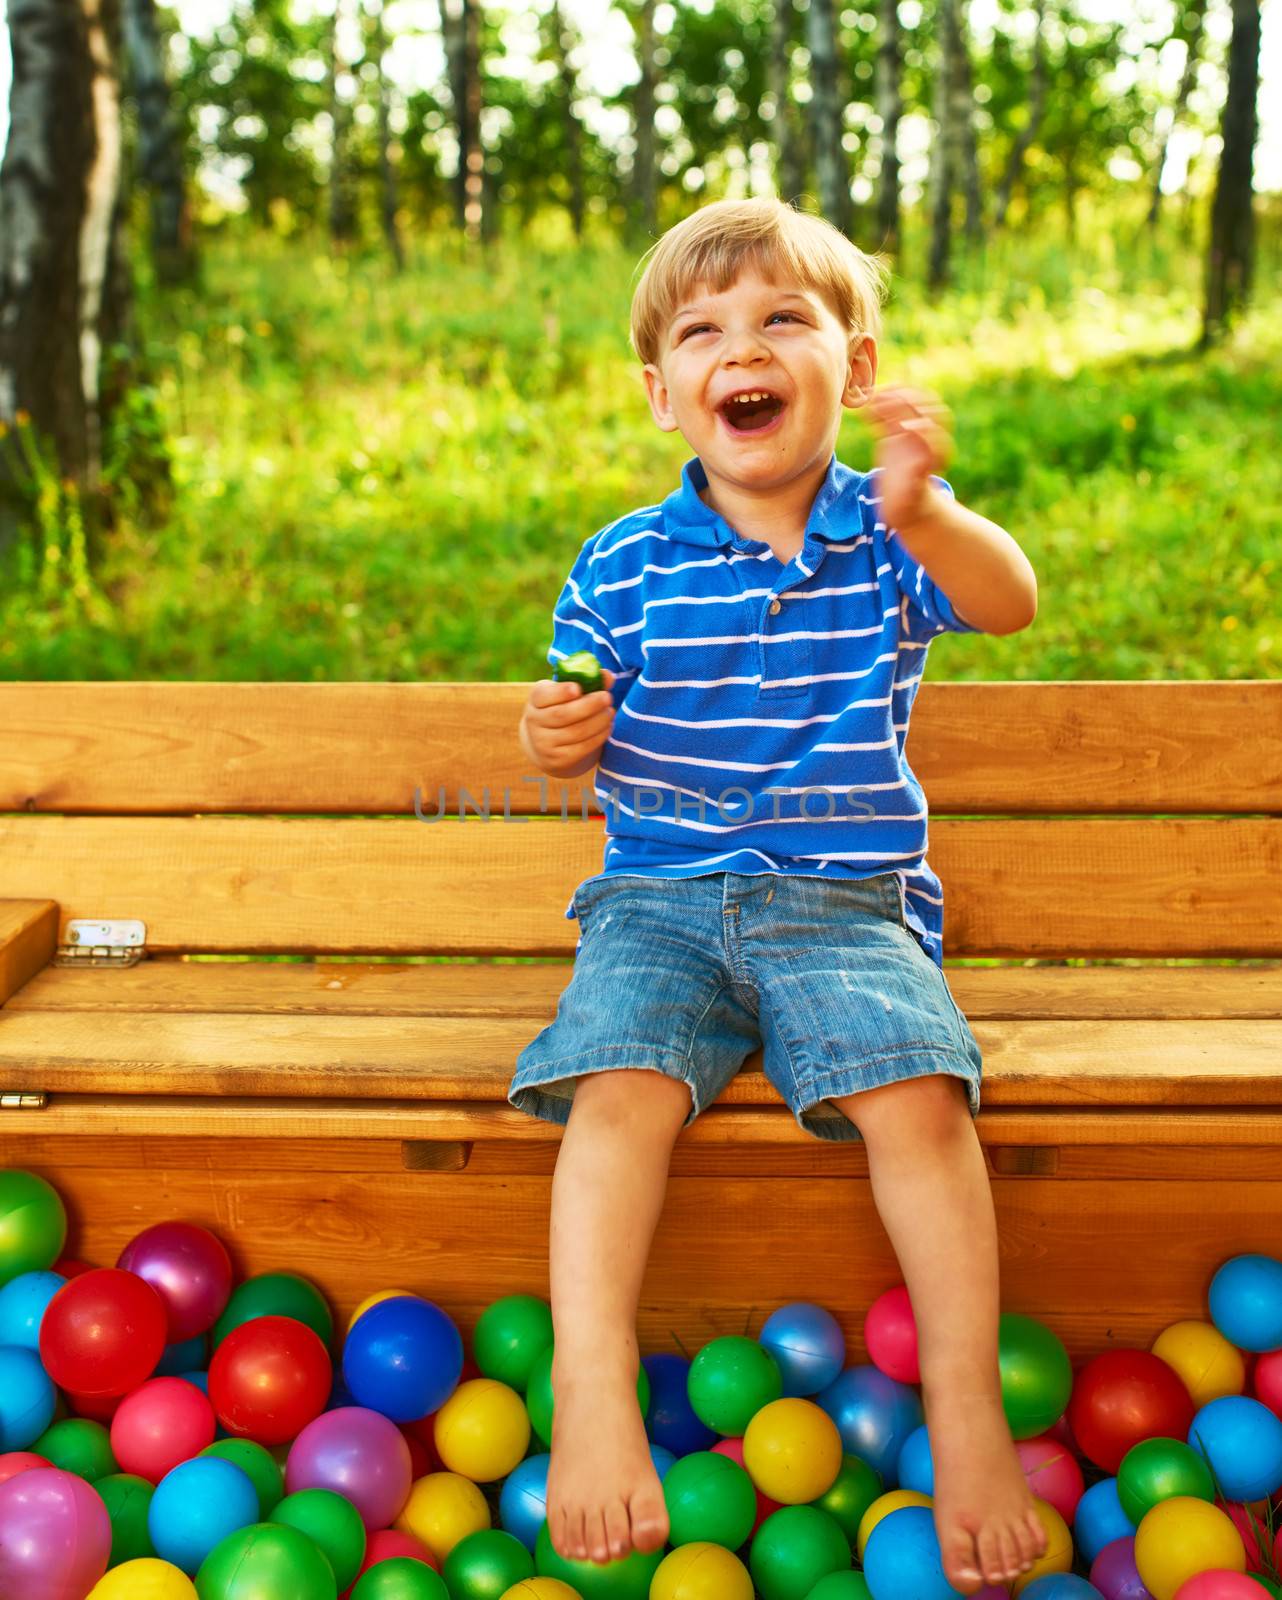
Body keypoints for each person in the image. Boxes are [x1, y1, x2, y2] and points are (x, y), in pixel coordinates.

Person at [512, 197, 1041, 1593]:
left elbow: (1009, 603)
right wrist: (553, 735)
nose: (739, 348)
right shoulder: (620, 561)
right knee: (615, 1085)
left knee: (916, 1093)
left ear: (851, 369)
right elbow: (571, 708)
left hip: (844, 901)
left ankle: (966, 1415)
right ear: (661, 392)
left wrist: (928, 504)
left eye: (780, 320)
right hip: (656, 902)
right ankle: (593, 1391)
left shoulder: (885, 534)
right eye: (702, 332)